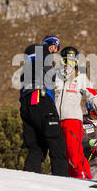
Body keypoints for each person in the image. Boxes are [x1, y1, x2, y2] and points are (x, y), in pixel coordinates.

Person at [19, 36, 68, 177]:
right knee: (56, 140)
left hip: (26, 104)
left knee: (37, 146)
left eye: (57, 47)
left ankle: (30, 176)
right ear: (46, 44)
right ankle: (62, 178)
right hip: (41, 98)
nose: (55, 49)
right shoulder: (41, 53)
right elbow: (47, 71)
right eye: (53, 45)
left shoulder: (27, 68)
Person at [54, 46, 97, 179]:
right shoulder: (56, 76)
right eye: (65, 61)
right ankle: (72, 180)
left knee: (74, 152)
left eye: (71, 62)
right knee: (63, 154)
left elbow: (91, 94)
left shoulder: (80, 76)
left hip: (72, 120)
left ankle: (84, 177)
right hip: (57, 120)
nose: (68, 65)